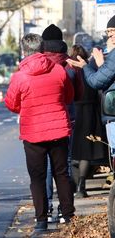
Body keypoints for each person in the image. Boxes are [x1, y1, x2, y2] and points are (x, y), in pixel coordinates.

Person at [5, 33, 75, 232]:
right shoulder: (59, 71)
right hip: (59, 128)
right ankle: (69, 216)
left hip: (33, 132)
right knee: (61, 174)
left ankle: (42, 220)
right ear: (42, 49)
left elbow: (11, 103)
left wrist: (25, 107)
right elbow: (69, 96)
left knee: (37, 177)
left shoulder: (20, 76)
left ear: (24, 51)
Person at [41, 24, 78, 221]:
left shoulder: (37, 66)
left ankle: (46, 208)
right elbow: (77, 93)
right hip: (67, 119)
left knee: (46, 166)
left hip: (41, 121)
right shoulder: (69, 67)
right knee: (66, 164)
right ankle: (66, 211)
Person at [67, 15, 115, 162]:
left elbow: (96, 81)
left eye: (113, 30)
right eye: (108, 32)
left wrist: (86, 67)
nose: (110, 35)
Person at [68, 44, 108, 198]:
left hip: (73, 111)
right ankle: (81, 186)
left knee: (72, 151)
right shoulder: (89, 68)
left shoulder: (68, 70)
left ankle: (72, 184)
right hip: (90, 112)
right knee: (86, 151)